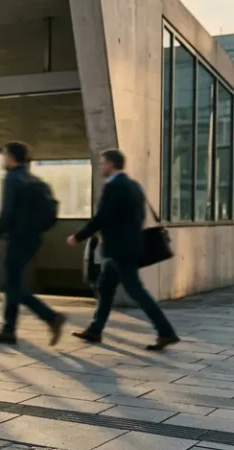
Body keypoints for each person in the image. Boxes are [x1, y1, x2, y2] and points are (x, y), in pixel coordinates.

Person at [66, 149, 179, 351]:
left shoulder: (114, 186)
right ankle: (95, 330)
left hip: (120, 249)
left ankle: (166, 332)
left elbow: (102, 217)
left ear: (111, 164)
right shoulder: (134, 186)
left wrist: (78, 236)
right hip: (127, 247)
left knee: (136, 291)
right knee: (105, 287)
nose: (101, 167)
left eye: (102, 163)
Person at [0, 141, 65, 345]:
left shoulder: (12, 178)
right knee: (13, 283)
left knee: (10, 285)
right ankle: (9, 330)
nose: (2, 159)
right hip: (33, 239)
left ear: (11, 157)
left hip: (17, 239)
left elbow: (7, 211)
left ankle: (50, 316)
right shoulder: (31, 178)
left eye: (4, 155)